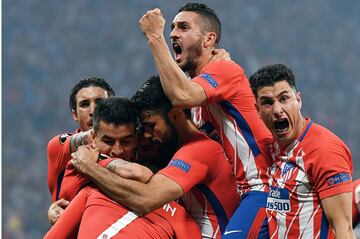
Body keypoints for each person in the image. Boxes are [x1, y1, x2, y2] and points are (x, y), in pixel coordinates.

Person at [139, 3, 272, 237]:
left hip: (262, 187)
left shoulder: (224, 70)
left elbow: (181, 94)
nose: (172, 34)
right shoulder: (199, 102)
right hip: (238, 195)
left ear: (209, 39)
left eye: (183, 27)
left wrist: (154, 36)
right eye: (171, 28)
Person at [70, 76, 240, 239]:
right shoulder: (165, 149)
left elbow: (146, 199)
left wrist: (90, 167)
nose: (146, 135)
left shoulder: (200, 150)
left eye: (151, 125)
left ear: (175, 115)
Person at [45, 97, 201, 239]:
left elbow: (140, 174)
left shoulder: (88, 166)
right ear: (93, 138)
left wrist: (92, 166)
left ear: (136, 139)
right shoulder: (80, 166)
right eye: (108, 141)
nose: (117, 151)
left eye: (125, 142)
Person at [249, 63, 354, 238]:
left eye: (284, 99)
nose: (277, 110)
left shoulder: (325, 150)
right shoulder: (270, 147)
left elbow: (343, 229)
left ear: (298, 100)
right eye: (267, 103)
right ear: (257, 110)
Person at [47, 77, 115, 223]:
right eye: (85, 104)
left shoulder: (127, 145)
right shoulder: (58, 147)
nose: (93, 110)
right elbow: (89, 137)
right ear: (75, 115)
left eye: (100, 102)